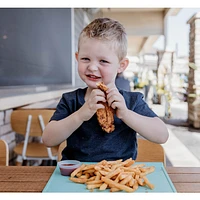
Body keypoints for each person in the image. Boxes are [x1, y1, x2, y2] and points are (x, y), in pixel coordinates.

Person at [42, 18, 169, 162]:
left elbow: (162, 135)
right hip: (77, 176)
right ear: (77, 58)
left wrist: (126, 114)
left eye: (103, 61)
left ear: (121, 65)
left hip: (119, 177)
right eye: (85, 59)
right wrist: (80, 115)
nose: (92, 67)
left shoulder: (132, 101)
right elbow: (48, 139)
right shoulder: (70, 100)